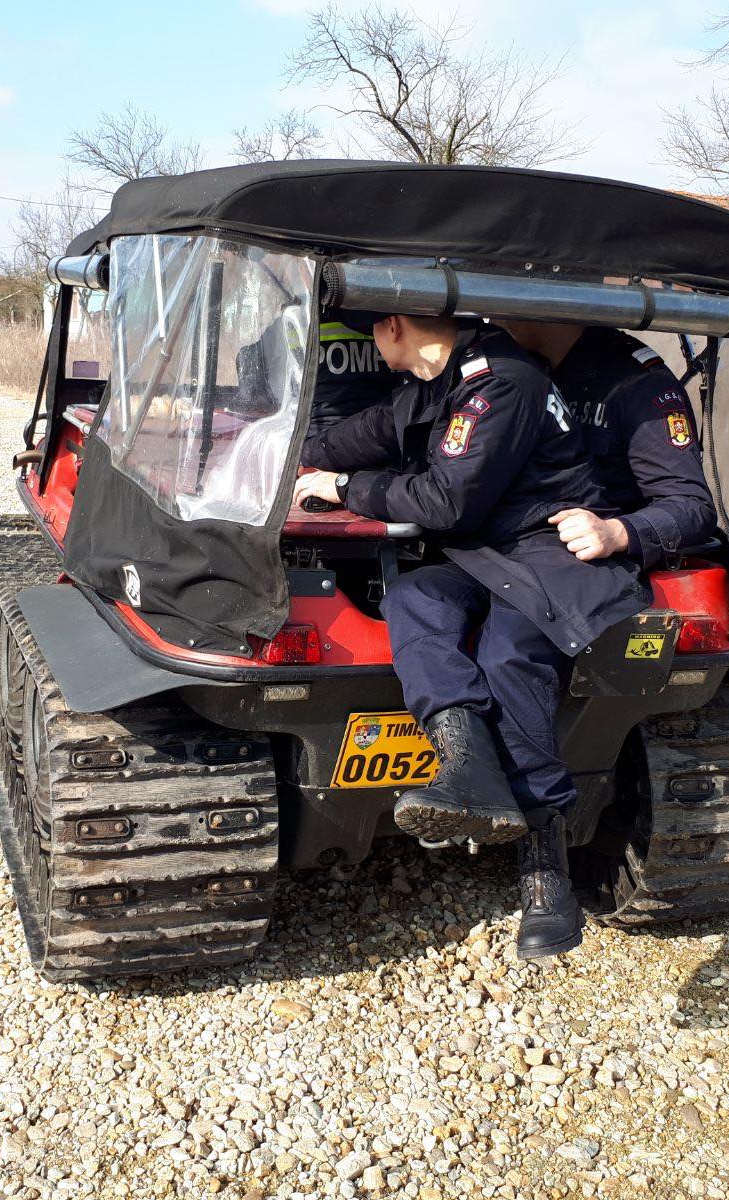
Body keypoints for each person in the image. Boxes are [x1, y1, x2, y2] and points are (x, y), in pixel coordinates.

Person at [294, 314, 649, 960]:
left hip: (547, 556)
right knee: (414, 598)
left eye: (372, 329)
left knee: (508, 656)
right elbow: (369, 431)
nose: (370, 343)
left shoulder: (503, 382)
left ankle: (546, 874)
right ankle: (466, 763)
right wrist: (290, 456)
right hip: (488, 556)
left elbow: (446, 502)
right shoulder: (441, 380)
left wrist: (345, 488)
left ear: (393, 326)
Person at [501, 323, 717, 567]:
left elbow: (691, 505)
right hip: (524, 549)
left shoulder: (638, 384)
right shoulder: (518, 369)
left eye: (510, 305)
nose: (495, 316)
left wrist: (616, 532)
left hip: (606, 569)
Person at [236, 309, 397, 454]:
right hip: (384, 436)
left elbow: (249, 365)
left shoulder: (295, 316)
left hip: (318, 443)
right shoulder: (382, 312)